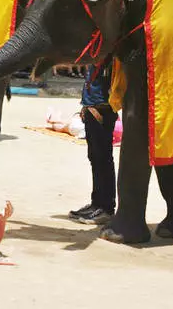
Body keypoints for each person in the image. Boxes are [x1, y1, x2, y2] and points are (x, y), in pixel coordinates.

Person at [69, 63, 118, 225]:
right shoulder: (95, 54)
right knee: (95, 157)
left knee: (102, 157)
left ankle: (106, 207)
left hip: (102, 108)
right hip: (91, 105)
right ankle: (96, 203)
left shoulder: (108, 54)